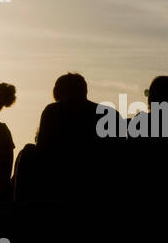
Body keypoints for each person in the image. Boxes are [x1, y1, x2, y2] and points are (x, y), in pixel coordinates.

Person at [16, 72, 121, 201]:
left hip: (59, 185)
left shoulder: (53, 111)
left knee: (27, 152)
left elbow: (43, 150)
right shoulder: (110, 114)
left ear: (59, 92)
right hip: (101, 186)